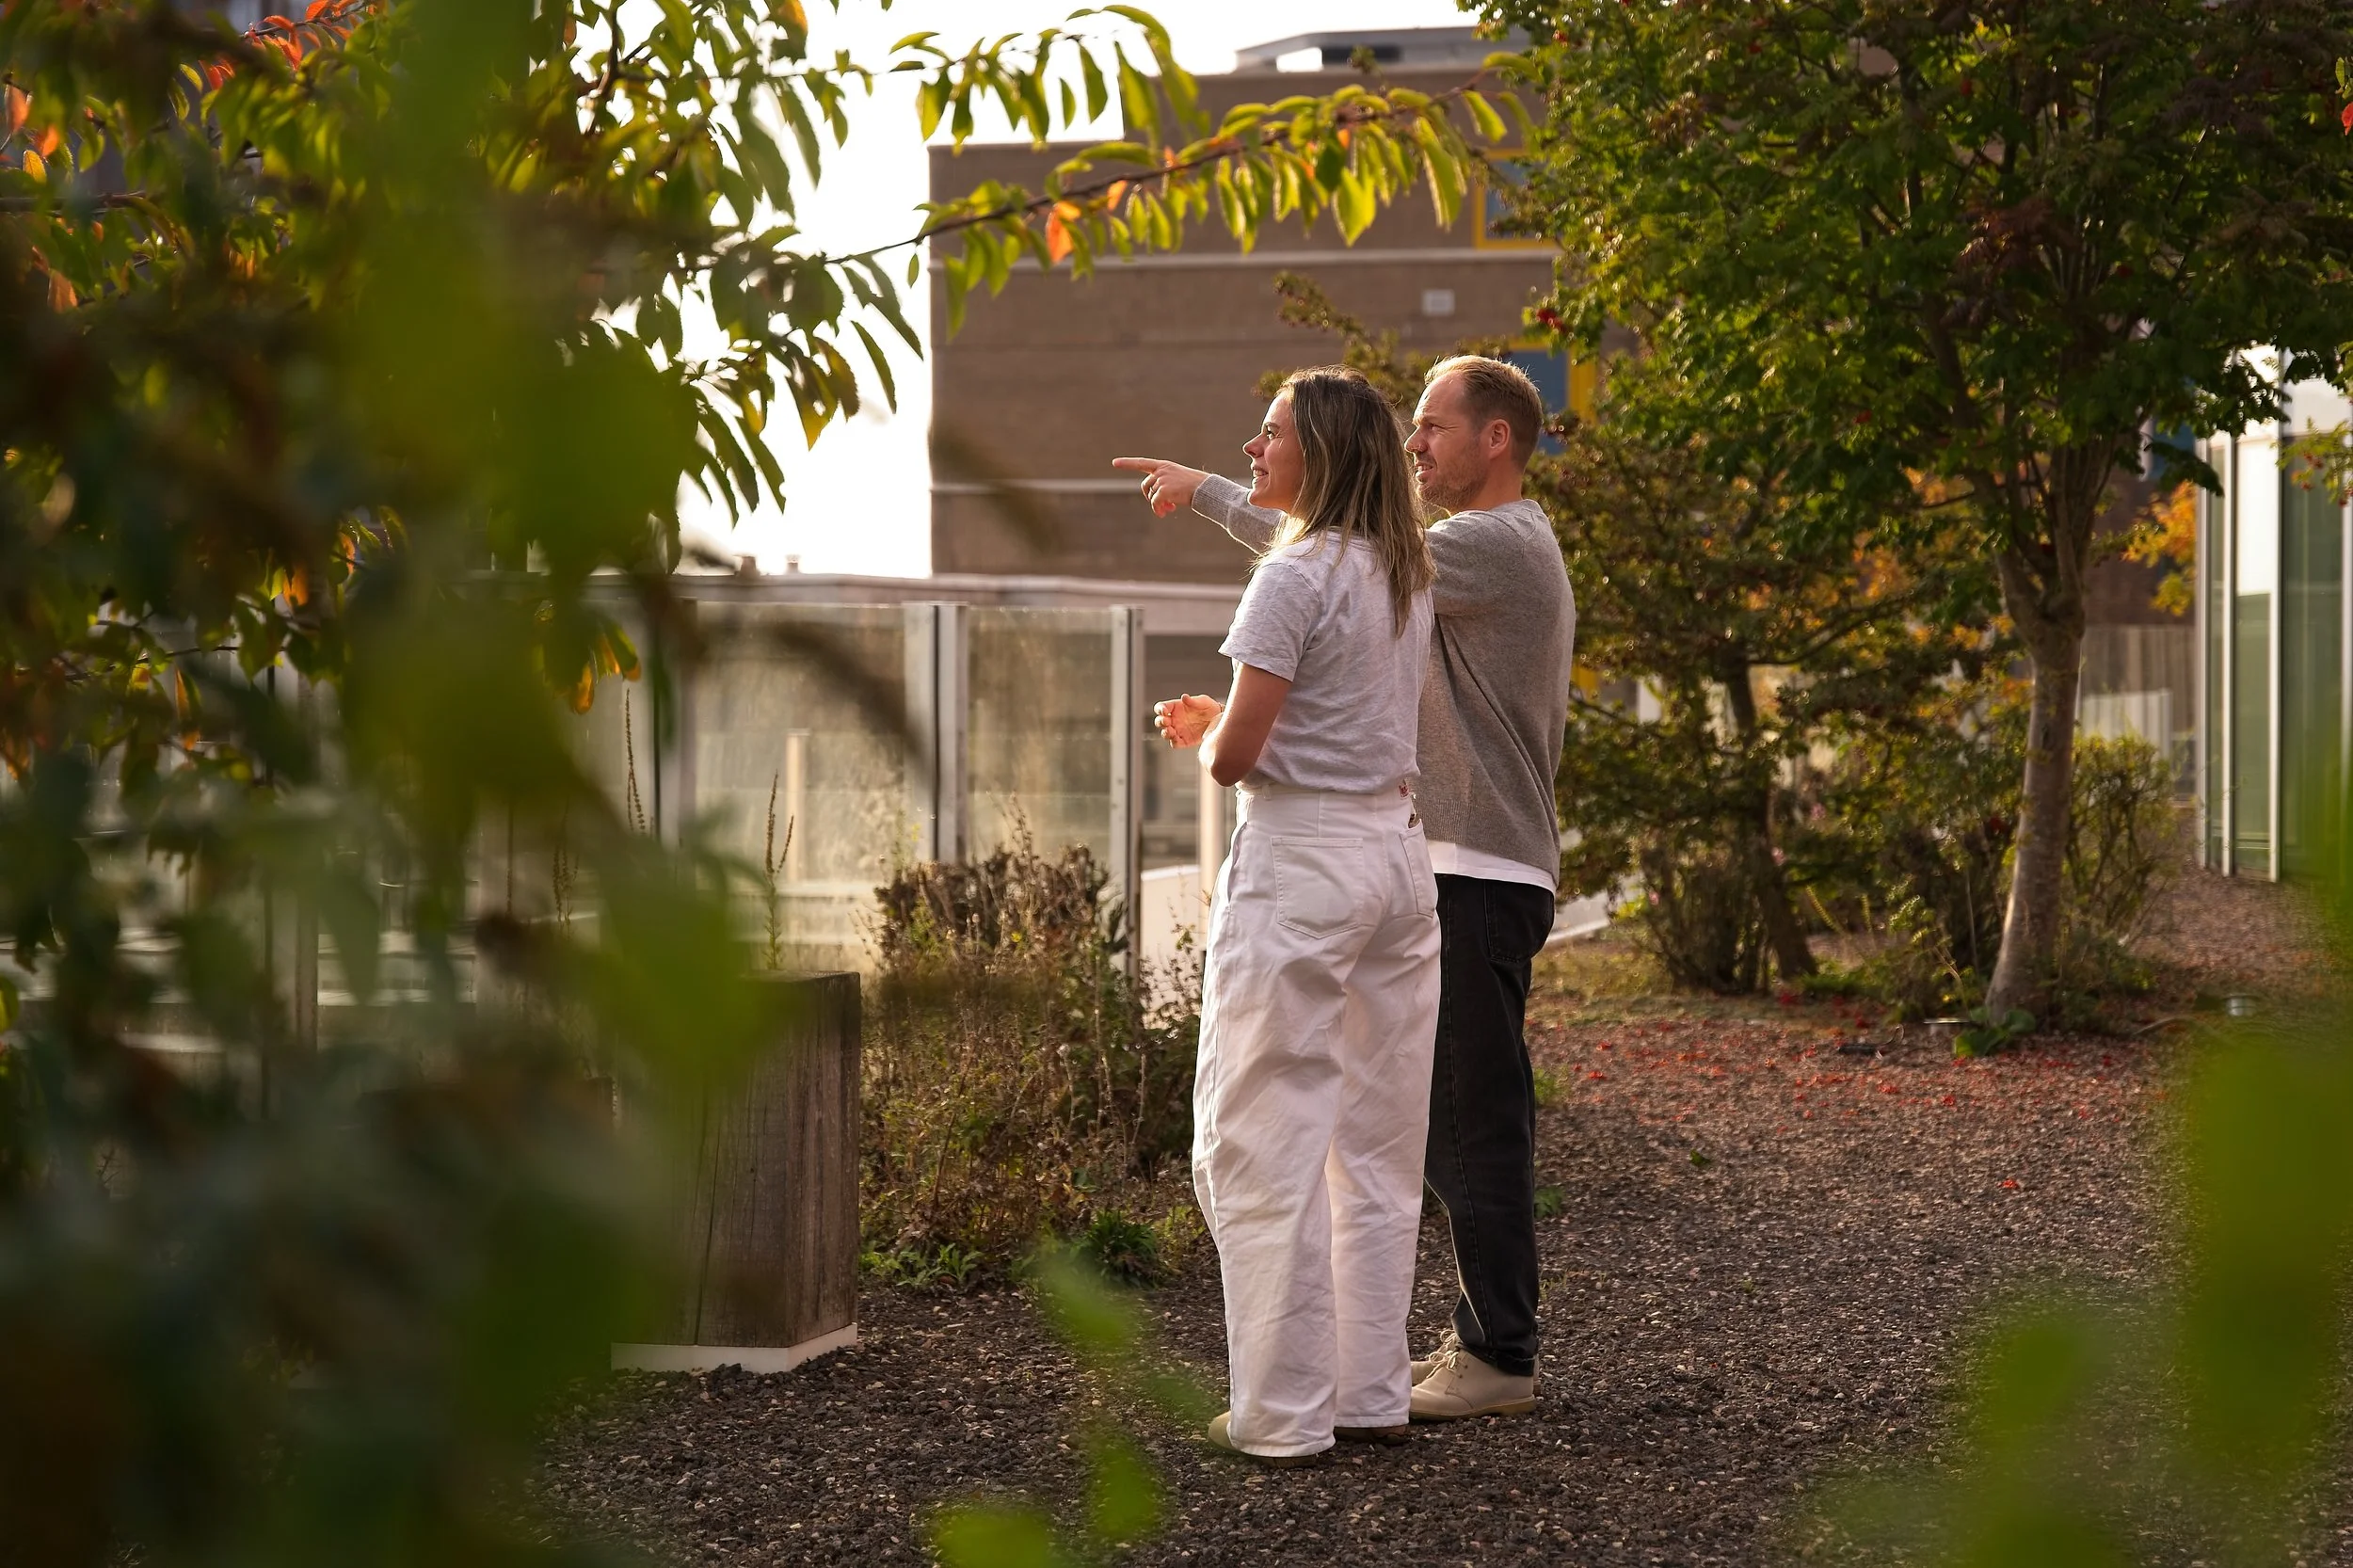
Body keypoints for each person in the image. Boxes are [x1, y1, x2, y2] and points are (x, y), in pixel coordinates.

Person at [1115, 355, 1576, 1423]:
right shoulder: (1443, 560)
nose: (1417, 444)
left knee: (1448, 1128)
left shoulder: (1491, 546)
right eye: (1407, 428)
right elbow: (1352, 612)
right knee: (1390, 1139)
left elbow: (1344, 554)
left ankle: (1490, 1352)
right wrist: (1254, 720)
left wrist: (1210, 491)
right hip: (1424, 859)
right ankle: (1370, 1387)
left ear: (1496, 437)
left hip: (1465, 861)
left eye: (1435, 425)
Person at [1143, 366, 1440, 1465]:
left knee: (1259, 1138)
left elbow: (1236, 760)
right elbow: (1328, 713)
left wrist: (1208, 733)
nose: (1252, 447)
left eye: (1268, 432)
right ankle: (1367, 1393)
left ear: (1317, 452)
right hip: (1395, 862)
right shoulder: (1400, 570)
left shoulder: (1291, 575)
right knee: (1374, 1147)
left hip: (1304, 863)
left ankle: (1278, 1414)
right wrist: (1206, 491)